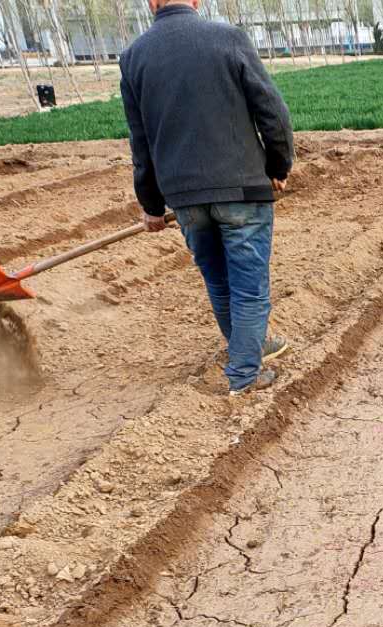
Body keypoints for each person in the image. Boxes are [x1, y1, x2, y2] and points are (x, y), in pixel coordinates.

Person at [119, 0, 295, 396]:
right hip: (241, 189)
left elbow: (140, 141)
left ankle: (252, 346)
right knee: (248, 288)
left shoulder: (133, 57)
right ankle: (244, 377)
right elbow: (272, 111)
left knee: (219, 282)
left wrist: (151, 205)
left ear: (151, 2)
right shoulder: (228, 38)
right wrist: (278, 166)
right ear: (196, 0)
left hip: (185, 198)